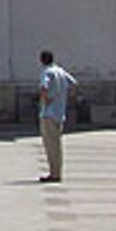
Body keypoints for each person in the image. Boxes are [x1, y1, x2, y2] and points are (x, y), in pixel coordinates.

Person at [38, 49, 77, 182]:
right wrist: (63, 98)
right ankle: (56, 172)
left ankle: (54, 174)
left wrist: (46, 99)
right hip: (60, 113)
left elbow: (44, 87)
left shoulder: (47, 72)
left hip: (49, 113)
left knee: (50, 145)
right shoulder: (60, 71)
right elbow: (73, 84)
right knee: (57, 145)